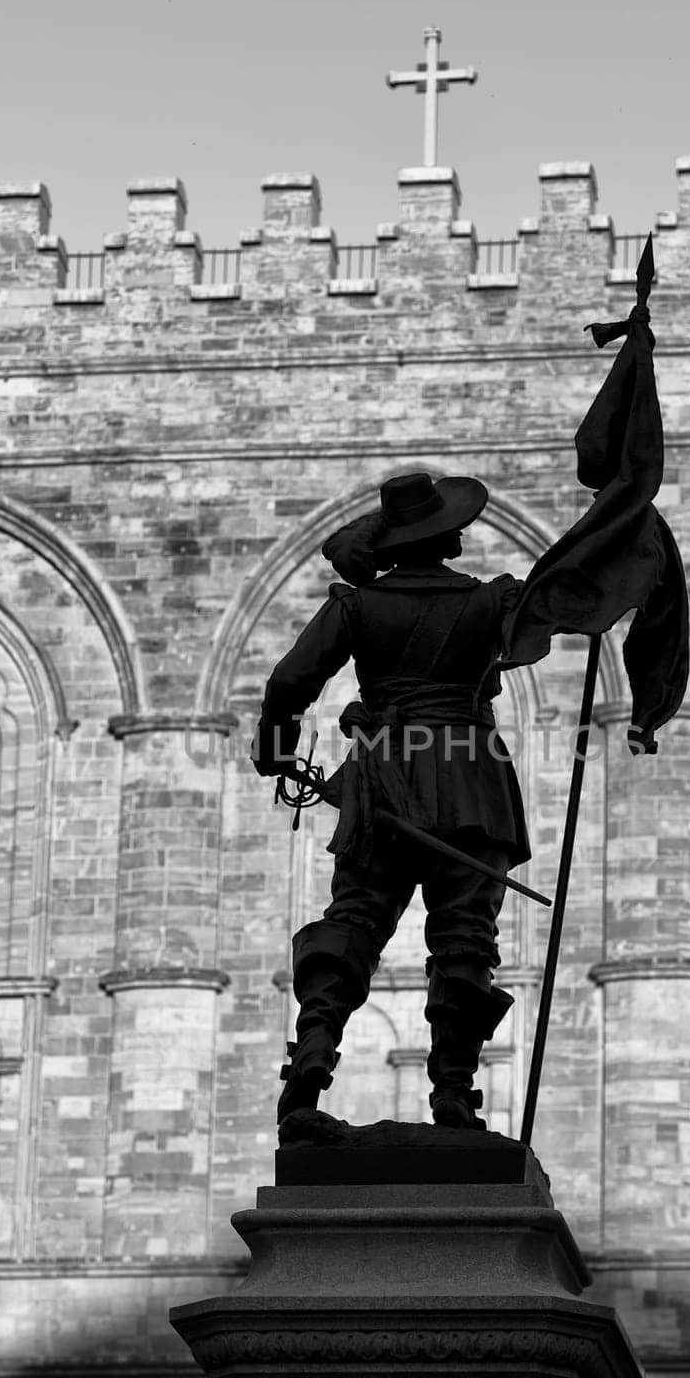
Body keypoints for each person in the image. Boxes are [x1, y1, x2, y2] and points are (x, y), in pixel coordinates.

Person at [253, 470, 529, 1132]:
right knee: (464, 936)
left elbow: (288, 681)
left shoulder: (356, 606)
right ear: (448, 537)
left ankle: (312, 1058)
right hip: (470, 779)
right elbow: (571, 610)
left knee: (355, 916)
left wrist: (274, 750)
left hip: (383, 780)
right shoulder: (494, 602)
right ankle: (454, 1093)